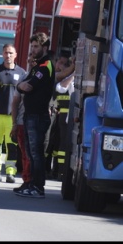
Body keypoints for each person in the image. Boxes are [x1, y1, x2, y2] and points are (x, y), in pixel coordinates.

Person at [15, 32, 55, 198]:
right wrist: (20, 86)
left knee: (37, 153)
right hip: (30, 115)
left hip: (38, 116)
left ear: (45, 47)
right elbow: (21, 86)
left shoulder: (46, 66)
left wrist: (22, 85)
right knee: (31, 153)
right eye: (32, 46)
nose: (33, 49)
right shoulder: (37, 66)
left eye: (36, 46)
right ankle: (31, 184)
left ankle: (38, 187)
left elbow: (30, 85)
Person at [0, 44, 27, 183]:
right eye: (6, 53)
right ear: (2, 54)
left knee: (12, 146)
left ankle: (10, 173)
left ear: (15, 55)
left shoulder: (22, 73)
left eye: (10, 53)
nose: (8, 55)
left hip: (12, 116)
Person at [45, 51, 75, 181]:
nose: (61, 66)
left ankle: (59, 171)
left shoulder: (71, 78)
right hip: (57, 115)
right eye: (60, 62)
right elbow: (59, 88)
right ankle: (51, 169)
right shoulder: (54, 76)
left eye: (65, 64)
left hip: (64, 115)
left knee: (61, 144)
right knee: (50, 143)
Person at [10, 53, 36, 194]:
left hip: (36, 121)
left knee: (34, 154)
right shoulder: (23, 78)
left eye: (34, 61)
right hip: (21, 122)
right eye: (30, 61)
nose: (32, 63)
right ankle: (27, 181)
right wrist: (14, 123)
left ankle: (33, 182)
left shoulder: (43, 78)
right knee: (25, 154)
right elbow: (14, 103)